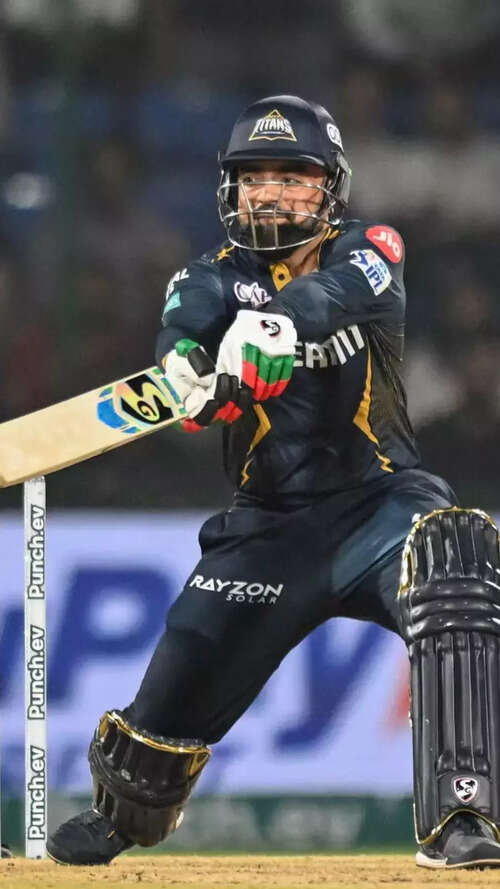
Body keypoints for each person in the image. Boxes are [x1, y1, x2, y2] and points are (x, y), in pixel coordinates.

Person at [47, 95, 500, 870]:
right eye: (255, 178)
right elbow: (181, 330)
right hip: (267, 528)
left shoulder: (373, 249)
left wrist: (275, 325)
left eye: (293, 177)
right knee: (163, 715)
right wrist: (186, 371)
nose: (271, 194)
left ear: (331, 188)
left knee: (452, 559)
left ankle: (462, 813)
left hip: (383, 506)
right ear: (231, 189)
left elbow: (333, 296)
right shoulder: (208, 277)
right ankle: (123, 815)